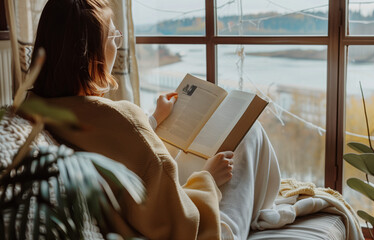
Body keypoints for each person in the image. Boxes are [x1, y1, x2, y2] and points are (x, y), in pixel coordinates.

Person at [27, 0, 281, 239]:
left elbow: (113, 146)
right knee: (250, 133)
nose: (116, 44)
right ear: (90, 54)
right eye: (113, 37)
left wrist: (153, 118)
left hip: (137, 214)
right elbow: (181, 222)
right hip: (198, 231)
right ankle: (265, 209)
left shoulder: (33, 107)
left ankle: (265, 209)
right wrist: (208, 179)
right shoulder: (121, 118)